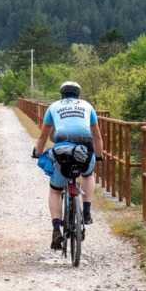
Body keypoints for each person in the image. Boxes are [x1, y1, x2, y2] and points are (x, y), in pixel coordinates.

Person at [32, 81, 104, 250]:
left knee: (55, 190)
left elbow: (43, 136)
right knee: (88, 174)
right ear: (78, 94)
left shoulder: (54, 107)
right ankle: (86, 211)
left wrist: (37, 152)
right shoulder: (87, 106)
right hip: (84, 150)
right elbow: (97, 136)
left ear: (62, 94)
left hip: (62, 151)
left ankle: (56, 228)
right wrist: (99, 156)